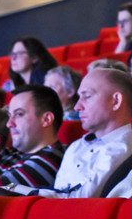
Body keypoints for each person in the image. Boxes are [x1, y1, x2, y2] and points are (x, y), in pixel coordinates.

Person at [14, 68, 132, 198]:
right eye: (79, 97)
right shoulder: (76, 146)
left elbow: (81, 200)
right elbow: (59, 196)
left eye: (87, 96)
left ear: (116, 101)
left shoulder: (125, 145)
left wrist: (14, 189)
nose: (77, 106)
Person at [0, 84, 64, 191]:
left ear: (46, 119)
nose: (9, 124)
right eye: (10, 115)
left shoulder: (50, 160)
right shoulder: (11, 153)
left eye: (19, 114)